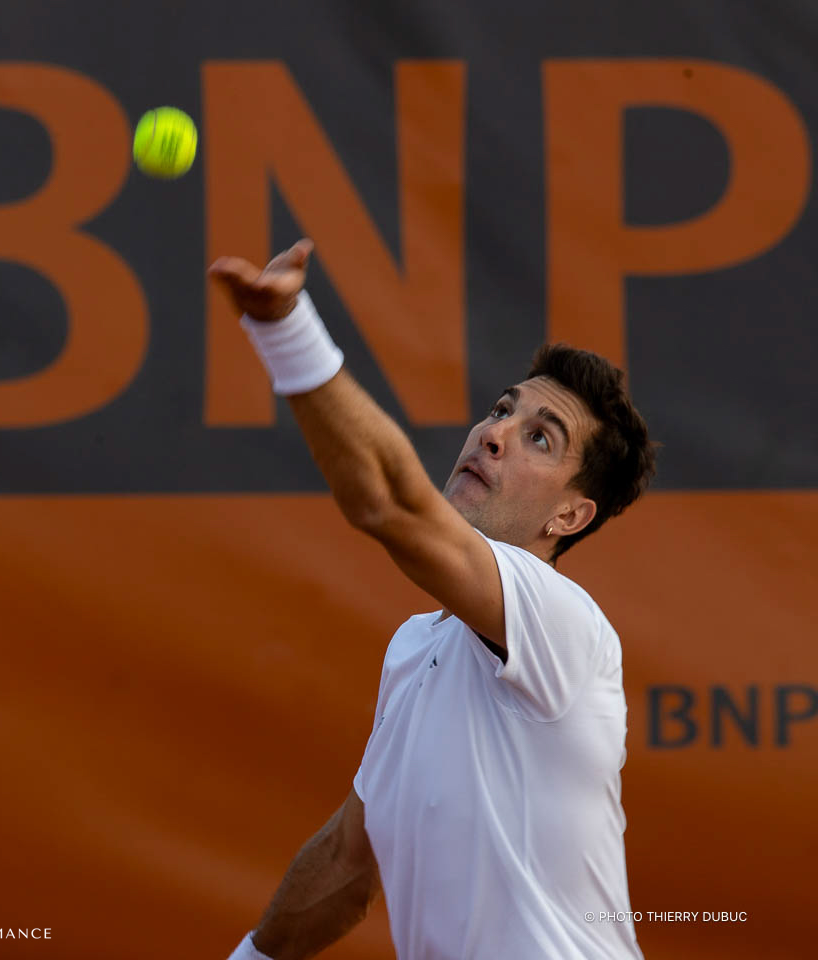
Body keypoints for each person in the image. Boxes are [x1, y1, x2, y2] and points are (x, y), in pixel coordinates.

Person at [209, 239, 655, 960]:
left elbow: (389, 503)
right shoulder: (417, 646)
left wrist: (286, 330)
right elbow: (350, 861)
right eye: (502, 410)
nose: (495, 434)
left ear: (570, 516)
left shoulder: (562, 620)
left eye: (540, 439)